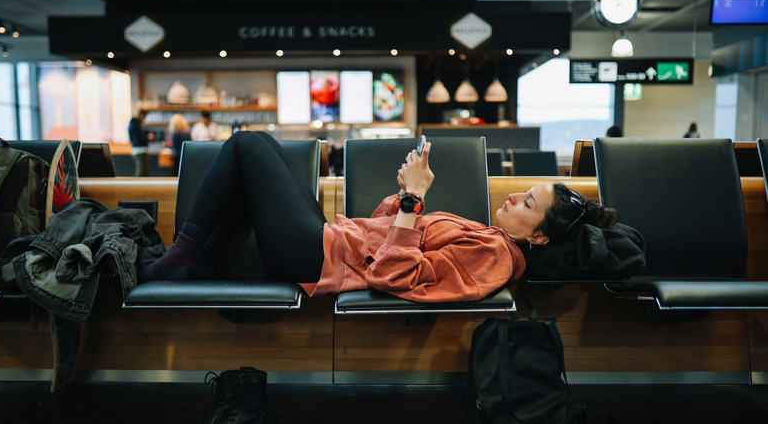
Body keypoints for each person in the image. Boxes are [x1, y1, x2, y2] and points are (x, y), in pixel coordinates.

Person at [140, 131, 618, 302]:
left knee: (247, 143)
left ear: (537, 239)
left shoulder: (494, 255)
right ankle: (193, 259)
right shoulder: (491, 234)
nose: (514, 197)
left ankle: (182, 257)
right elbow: (382, 235)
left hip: (316, 258)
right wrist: (402, 200)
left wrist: (413, 202)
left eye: (527, 204)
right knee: (256, 152)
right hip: (331, 239)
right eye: (523, 193)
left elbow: (393, 275)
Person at [128, 109, 154, 177]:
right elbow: (138, 139)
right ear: (141, 115)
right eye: (144, 117)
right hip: (140, 150)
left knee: (142, 172)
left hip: (137, 150)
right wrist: (147, 138)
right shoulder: (135, 125)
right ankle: (137, 187)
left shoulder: (133, 124)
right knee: (142, 172)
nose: (144, 119)